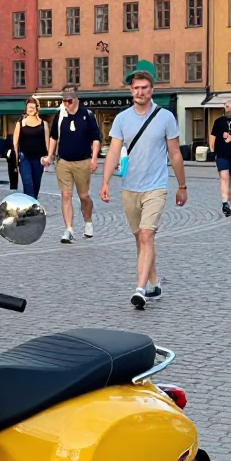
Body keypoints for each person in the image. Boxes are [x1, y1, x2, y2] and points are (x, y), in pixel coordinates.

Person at [100, 70, 186, 309]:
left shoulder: (165, 117)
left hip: (156, 186)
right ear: (131, 90)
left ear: (152, 90)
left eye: (145, 88)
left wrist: (182, 185)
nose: (140, 92)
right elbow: (114, 151)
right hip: (130, 187)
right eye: (136, 88)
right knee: (140, 239)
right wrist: (105, 181)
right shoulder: (122, 119)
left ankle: (140, 289)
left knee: (147, 235)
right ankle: (155, 281)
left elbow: (175, 153)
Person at [45, 84, 101, 243]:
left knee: (84, 196)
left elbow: (95, 138)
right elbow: (54, 137)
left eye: (69, 101)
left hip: (83, 161)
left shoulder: (87, 115)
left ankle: (88, 222)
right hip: (63, 161)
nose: (66, 104)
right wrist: (49, 156)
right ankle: (68, 229)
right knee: (66, 194)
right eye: (64, 101)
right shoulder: (60, 115)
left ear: (77, 99)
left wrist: (94, 158)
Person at [12, 97, 49, 199]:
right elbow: (15, 144)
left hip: (39, 159)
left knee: (36, 186)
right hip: (24, 159)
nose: (31, 109)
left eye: (33, 107)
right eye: (29, 107)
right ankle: (31, 210)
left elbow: (47, 143)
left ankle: (33, 205)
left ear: (37, 108)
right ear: (26, 109)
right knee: (28, 184)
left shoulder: (43, 124)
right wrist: (16, 162)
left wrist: (48, 157)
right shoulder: (20, 124)